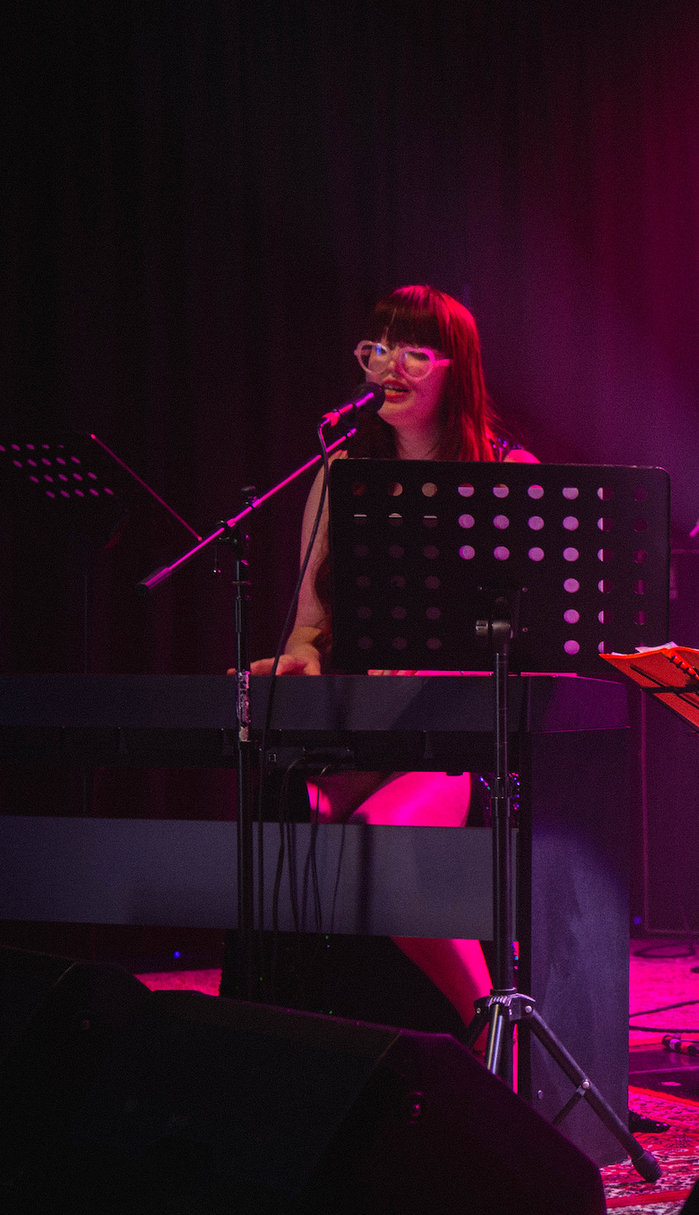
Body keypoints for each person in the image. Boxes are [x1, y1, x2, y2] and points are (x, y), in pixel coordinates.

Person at [249, 284, 536, 1032]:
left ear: (455, 368)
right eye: (377, 349)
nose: (389, 365)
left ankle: (488, 1025)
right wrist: (298, 662)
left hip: (459, 742)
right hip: (365, 733)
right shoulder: (340, 472)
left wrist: (447, 666)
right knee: (290, 826)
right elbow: (309, 628)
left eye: (413, 351)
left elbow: (532, 638)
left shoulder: (506, 470)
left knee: (379, 839)